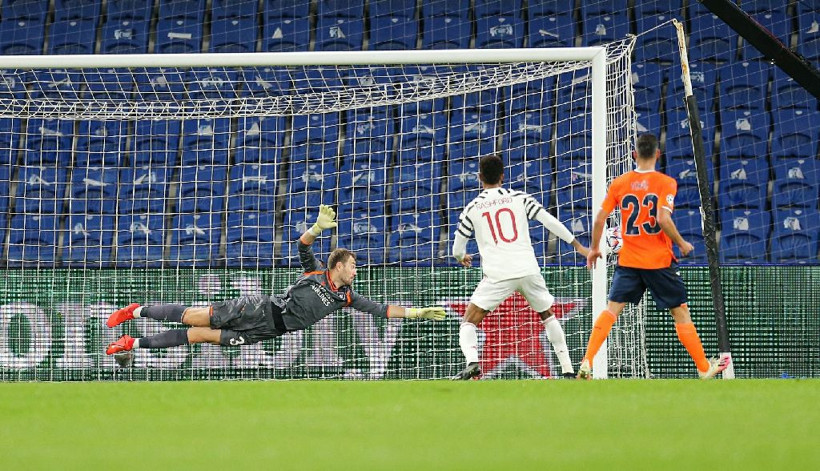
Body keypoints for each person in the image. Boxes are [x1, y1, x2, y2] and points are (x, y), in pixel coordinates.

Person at [105, 204, 446, 355]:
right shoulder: (315, 271)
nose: (356, 271)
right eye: (352, 265)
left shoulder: (347, 297)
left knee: (198, 337)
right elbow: (302, 244)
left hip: (267, 331)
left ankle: (131, 343)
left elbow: (382, 310)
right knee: (194, 317)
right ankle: (135, 311)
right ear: (338, 265)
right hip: (258, 310)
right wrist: (316, 228)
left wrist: (416, 313)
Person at [577, 133, 730, 380]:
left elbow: (599, 219)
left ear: (634, 155)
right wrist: (681, 242)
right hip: (658, 261)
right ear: (657, 154)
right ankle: (703, 368)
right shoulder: (666, 182)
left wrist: (594, 248)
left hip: (629, 261)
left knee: (612, 310)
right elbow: (662, 218)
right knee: (680, 311)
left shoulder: (619, 183)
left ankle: (587, 360)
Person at [451, 154, 589, 380]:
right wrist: (577, 245)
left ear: (479, 177)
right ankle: (567, 370)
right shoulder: (520, 197)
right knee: (548, 315)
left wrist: (461, 257)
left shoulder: (472, 208)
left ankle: (472, 362)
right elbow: (549, 221)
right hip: (527, 268)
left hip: (498, 274)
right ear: (503, 177)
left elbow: (457, 248)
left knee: (469, 321)